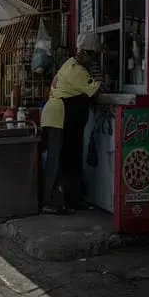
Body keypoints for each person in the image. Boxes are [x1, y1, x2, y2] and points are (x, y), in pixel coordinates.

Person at [40, 33, 103, 215]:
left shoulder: (72, 65)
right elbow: (97, 91)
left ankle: (72, 199)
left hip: (66, 118)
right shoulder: (76, 70)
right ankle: (52, 202)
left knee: (73, 159)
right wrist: (98, 75)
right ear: (84, 53)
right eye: (93, 56)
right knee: (59, 160)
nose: (94, 60)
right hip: (59, 117)